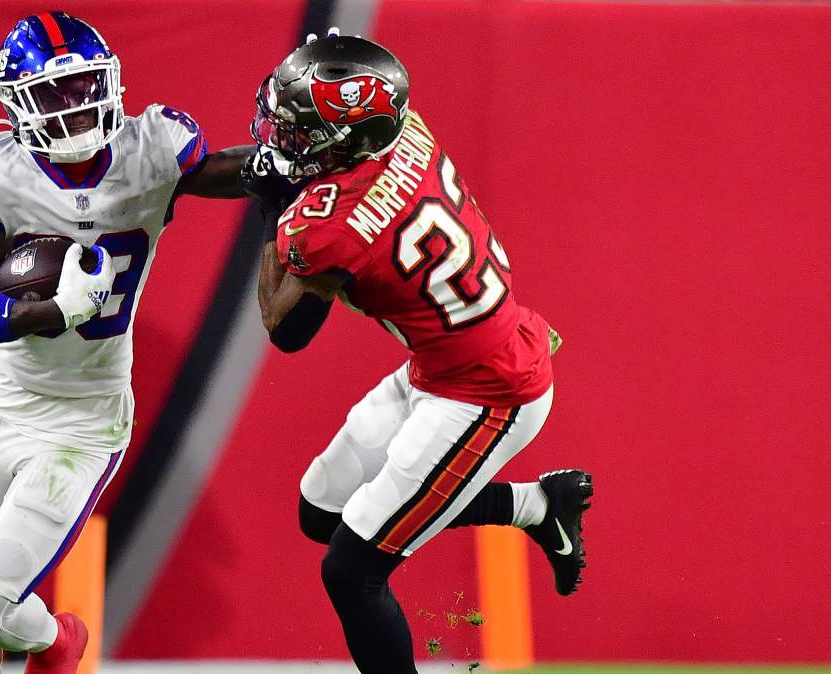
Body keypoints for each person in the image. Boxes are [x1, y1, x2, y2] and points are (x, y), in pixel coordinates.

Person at [242, 30, 594, 674]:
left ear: (349, 135)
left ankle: (538, 509)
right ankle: (537, 507)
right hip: (442, 365)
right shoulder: (402, 130)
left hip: (488, 394)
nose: (285, 136)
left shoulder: (334, 226)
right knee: (320, 512)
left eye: (302, 128)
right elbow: (330, 173)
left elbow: (284, 327)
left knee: (352, 571)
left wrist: (269, 208)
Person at [0, 12, 250, 674]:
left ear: (109, 82)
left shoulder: (150, 151)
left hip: (82, 419)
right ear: (17, 105)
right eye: (53, 95)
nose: (74, 108)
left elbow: (233, 172)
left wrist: (300, 161)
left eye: (83, 88)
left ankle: (56, 643)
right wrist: (47, 311)